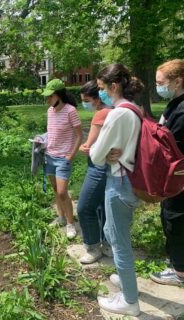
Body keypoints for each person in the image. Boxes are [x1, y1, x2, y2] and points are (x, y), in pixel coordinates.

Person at [90, 64, 144, 316]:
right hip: (130, 180)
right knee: (116, 234)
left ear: (113, 86)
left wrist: (102, 152)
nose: (100, 93)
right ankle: (126, 281)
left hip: (119, 182)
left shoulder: (117, 114)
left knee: (118, 241)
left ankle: (129, 301)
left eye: (101, 88)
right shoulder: (134, 109)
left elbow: (96, 155)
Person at [150, 59, 184, 286]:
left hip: (179, 179)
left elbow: (173, 147)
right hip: (174, 178)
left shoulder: (182, 111)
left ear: (178, 81)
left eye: (161, 83)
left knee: (175, 220)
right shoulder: (174, 103)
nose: (157, 87)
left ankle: (180, 272)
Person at [77, 81, 113, 264]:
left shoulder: (101, 113)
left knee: (84, 207)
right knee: (101, 205)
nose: (84, 103)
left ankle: (92, 247)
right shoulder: (112, 109)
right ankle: (106, 244)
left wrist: (84, 146)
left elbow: (88, 145)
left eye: (86, 100)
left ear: (97, 98)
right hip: (108, 165)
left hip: (98, 166)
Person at [42, 79, 83, 239]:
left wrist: (71, 156)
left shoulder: (70, 111)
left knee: (62, 192)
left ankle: (70, 224)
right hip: (49, 156)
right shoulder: (50, 112)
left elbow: (79, 135)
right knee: (55, 191)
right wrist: (42, 142)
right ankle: (60, 217)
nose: (47, 100)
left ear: (58, 96)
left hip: (63, 159)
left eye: (50, 96)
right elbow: (51, 133)